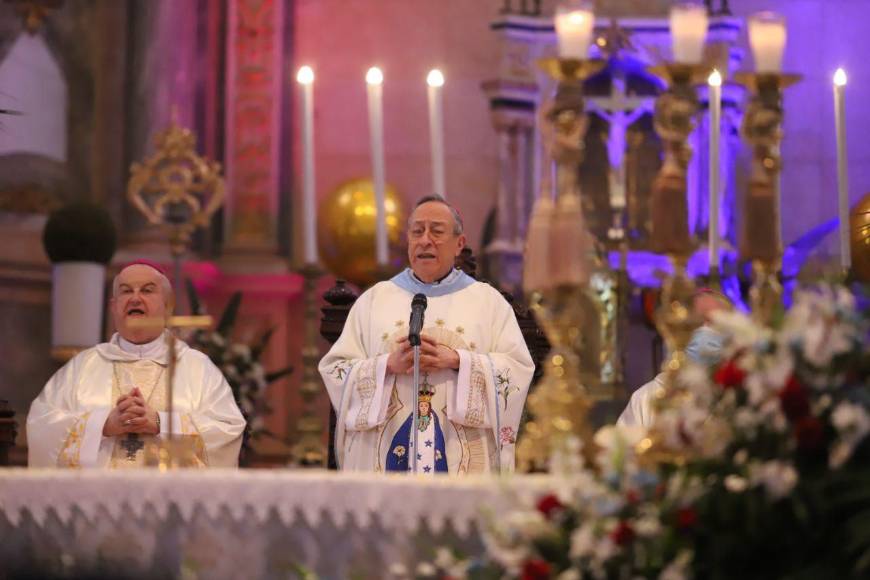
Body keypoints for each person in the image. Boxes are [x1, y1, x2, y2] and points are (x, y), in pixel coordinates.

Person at [319, 195, 534, 474]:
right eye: (417, 231)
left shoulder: (489, 303)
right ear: (408, 241)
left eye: (437, 231)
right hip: (384, 461)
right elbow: (337, 370)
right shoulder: (373, 301)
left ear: (459, 243)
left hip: (463, 467)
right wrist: (386, 366)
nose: (425, 240)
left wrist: (459, 360)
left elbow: (518, 369)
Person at [27, 261, 246, 468]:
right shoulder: (82, 367)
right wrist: (102, 424)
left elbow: (227, 430)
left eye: (147, 290)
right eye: (126, 290)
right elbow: (41, 423)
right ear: (114, 307)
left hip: (169, 502)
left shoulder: (197, 368)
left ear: (168, 306)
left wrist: (161, 422)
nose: (135, 298)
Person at [618, 289, 731, 428]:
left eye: (713, 322)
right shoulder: (648, 397)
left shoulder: (743, 395)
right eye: (695, 323)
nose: (704, 330)